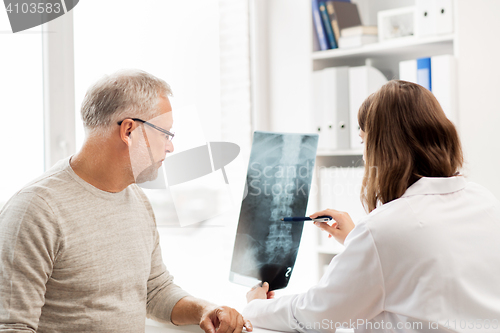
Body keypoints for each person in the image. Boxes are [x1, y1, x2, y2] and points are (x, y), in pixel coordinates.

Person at [0, 69, 252, 333]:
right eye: (165, 134)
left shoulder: (137, 201)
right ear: (129, 130)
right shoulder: (35, 210)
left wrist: (203, 309)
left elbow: (154, 291)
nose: (170, 147)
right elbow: (12, 327)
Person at [244, 80, 500, 332]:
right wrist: (357, 243)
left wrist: (255, 308)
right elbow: (435, 263)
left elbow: (317, 315)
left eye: (363, 141)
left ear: (383, 149)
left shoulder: (384, 228)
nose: (364, 156)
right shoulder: (483, 200)